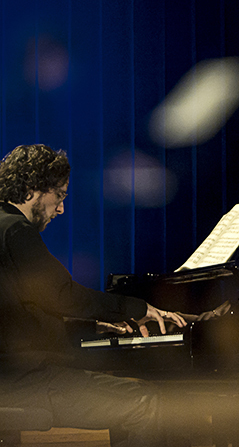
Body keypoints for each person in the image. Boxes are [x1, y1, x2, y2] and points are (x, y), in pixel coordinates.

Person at [0, 144, 187, 446]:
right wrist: (136, 308)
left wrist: (88, 326)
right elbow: (62, 295)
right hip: (20, 381)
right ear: (34, 189)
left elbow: (18, 316)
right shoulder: (16, 231)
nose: (61, 208)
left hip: (11, 376)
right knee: (145, 400)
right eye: (59, 195)